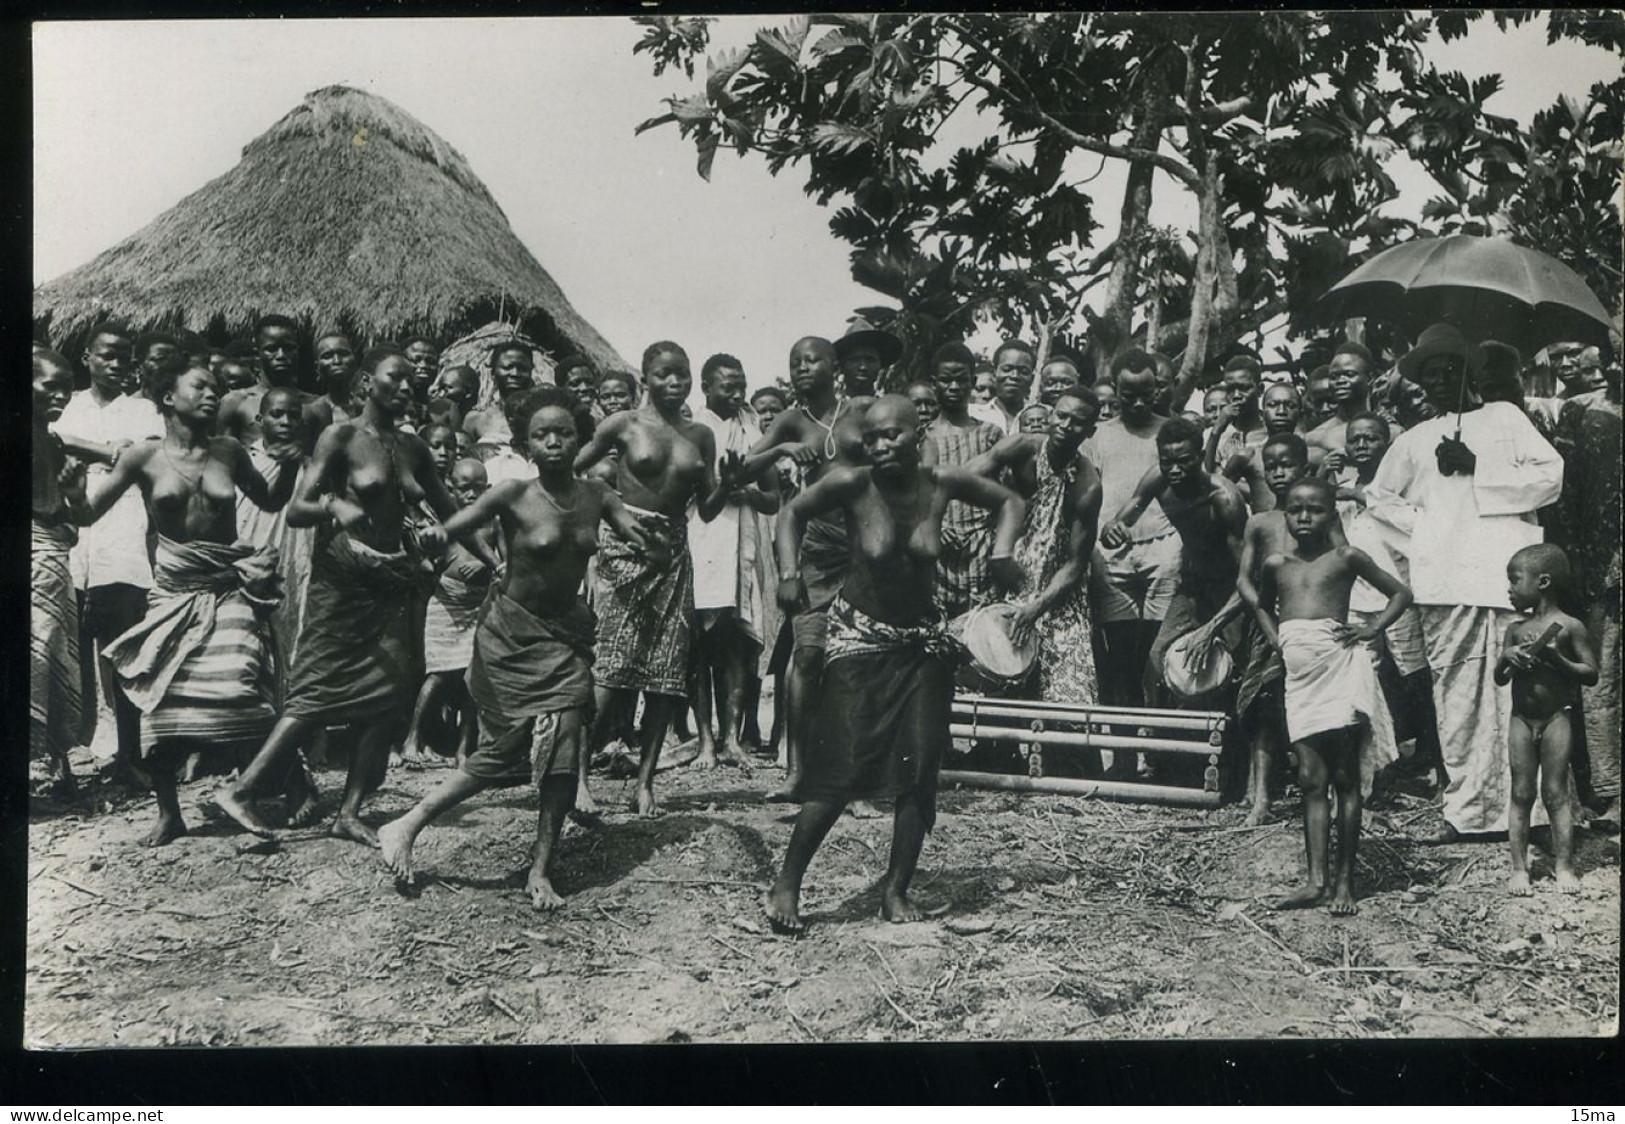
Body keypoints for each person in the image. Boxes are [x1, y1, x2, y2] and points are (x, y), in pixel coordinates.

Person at [379, 388, 655, 908]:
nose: (553, 443)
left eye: (564, 434)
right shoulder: (511, 493)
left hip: (566, 635)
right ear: (527, 443)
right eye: (541, 435)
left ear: (581, 439)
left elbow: (641, 535)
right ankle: (408, 822)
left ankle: (541, 868)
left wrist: (656, 540)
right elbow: (451, 528)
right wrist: (435, 538)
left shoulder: (599, 495)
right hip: (510, 635)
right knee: (503, 752)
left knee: (566, 745)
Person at [764, 396, 1026, 933]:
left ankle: (895, 891)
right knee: (841, 765)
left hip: (922, 645)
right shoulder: (852, 484)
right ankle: (786, 885)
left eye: (893, 436)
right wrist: (789, 571)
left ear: (916, 432)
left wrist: (1003, 551)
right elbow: (791, 513)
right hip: (860, 640)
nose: (881, 446)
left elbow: (1011, 502)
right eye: (873, 437)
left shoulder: (943, 482)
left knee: (922, 765)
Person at [219, 346, 464, 845]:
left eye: (411, 382)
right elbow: (297, 509)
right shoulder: (341, 436)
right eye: (394, 378)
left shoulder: (413, 447)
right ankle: (243, 791)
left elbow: (451, 507)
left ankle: (349, 812)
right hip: (342, 580)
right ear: (367, 382)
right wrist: (336, 505)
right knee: (315, 691)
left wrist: (488, 552)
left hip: (389, 583)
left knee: (390, 694)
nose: (405, 387)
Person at [79, 365, 302, 846]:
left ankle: (252, 794)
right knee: (159, 697)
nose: (210, 394)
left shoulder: (230, 451)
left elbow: (268, 501)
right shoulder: (143, 457)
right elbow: (88, 511)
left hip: (227, 586)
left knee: (241, 681)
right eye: (198, 386)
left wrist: (288, 463)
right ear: (167, 399)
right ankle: (169, 814)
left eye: (214, 388)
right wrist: (69, 479)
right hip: (175, 592)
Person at [1365, 324, 1564, 844]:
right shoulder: (1413, 440)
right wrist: (1429, 529)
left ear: (1468, 374)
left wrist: (1482, 468)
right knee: (1457, 697)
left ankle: (1532, 813)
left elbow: (1552, 475)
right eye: (1427, 375)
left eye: (1446, 371)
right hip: (1447, 581)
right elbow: (1379, 500)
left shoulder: (1506, 419)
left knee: (1521, 694)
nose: (1435, 383)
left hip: (1506, 577)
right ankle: (1468, 812)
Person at [575, 341, 735, 816]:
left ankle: (645, 782)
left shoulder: (700, 435)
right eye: (664, 374)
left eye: (682, 375)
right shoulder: (623, 424)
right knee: (608, 670)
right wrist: (606, 507)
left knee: (666, 673)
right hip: (622, 550)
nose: (675, 383)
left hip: (673, 554)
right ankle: (580, 778)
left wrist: (727, 483)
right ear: (645, 378)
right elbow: (573, 470)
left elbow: (706, 508)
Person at [1253, 477, 1412, 915]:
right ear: (1285, 514)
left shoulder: (1346, 558)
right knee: (1309, 778)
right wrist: (1276, 641)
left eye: (1316, 510)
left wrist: (1372, 627)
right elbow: (1264, 605)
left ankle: (1345, 882)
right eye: (1295, 509)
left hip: (1339, 670)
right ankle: (1315, 880)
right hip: (1300, 680)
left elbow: (1401, 593)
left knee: (1344, 777)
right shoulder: (1275, 564)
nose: (1304, 517)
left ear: (1333, 514)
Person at [742, 336, 883, 806]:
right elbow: (741, 471)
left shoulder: (862, 411)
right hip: (814, 550)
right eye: (794, 361)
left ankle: (855, 781)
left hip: (865, 547)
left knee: (858, 666)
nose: (803, 368)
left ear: (834, 365)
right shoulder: (792, 420)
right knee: (806, 659)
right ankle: (797, 772)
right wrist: (782, 448)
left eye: (812, 360)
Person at [52, 322, 164, 782]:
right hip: (73, 547)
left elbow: (147, 456)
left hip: (122, 542)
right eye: (107, 356)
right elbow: (52, 445)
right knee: (67, 655)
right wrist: (106, 452)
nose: (116, 364)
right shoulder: (66, 407)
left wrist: (101, 456)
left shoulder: (143, 411)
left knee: (125, 656)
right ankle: (63, 762)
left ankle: (131, 757)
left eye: (124, 357)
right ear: (87, 358)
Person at [1233, 434, 1352, 824]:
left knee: (1326, 710)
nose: (1278, 472)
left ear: (1304, 467)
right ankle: (1261, 799)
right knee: (1264, 708)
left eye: (1287, 464)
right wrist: (1264, 616)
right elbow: (1245, 580)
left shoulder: (1320, 515)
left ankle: (1333, 794)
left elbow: (1343, 561)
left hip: (1317, 625)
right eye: (1271, 466)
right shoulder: (1260, 522)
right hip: (1270, 625)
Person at [968, 387, 1103, 708]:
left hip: (1059, 601)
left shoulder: (1087, 486)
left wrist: (1036, 609)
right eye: (1061, 415)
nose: (1065, 426)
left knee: (1069, 705)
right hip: (1009, 584)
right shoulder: (1021, 447)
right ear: (1051, 413)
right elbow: (964, 476)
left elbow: (1074, 565)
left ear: (1091, 431)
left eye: (1077, 422)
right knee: (996, 694)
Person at [1335, 412, 1444, 794]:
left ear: (1387, 444)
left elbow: (1417, 525)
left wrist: (1362, 495)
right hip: (1355, 598)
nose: (1362, 445)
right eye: (1355, 439)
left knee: (1415, 675)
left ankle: (1434, 759)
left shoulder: (1399, 488)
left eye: (1371, 438)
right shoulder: (1339, 487)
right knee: (1367, 677)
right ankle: (1380, 762)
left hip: (1399, 594)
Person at [1106, 417, 1248, 708]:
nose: (1174, 470)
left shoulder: (1223, 499)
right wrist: (1112, 531)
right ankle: (1161, 751)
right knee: (1157, 666)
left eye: (1184, 461)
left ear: (1201, 457)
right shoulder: (1158, 479)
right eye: (1166, 461)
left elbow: (1249, 577)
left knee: (1230, 673)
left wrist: (1211, 628)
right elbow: (1119, 522)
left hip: (1231, 591)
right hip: (1192, 587)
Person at [688, 354, 778, 769]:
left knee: (738, 647)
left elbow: (772, 496)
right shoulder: (693, 429)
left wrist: (748, 495)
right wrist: (723, 490)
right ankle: (705, 740)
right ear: (706, 387)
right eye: (728, 386)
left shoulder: (755, 429)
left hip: (745, 543)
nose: (738, 393)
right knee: (699, 647)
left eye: (742, 384)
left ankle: (732, 739)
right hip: (702, 541)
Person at [1496, 544, 1597, 895]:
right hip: (1521, 720)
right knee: (1521, 792)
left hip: (1556, 719)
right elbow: (1500, 678)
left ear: (1543, 582)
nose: (1509, 589)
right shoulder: (1515, 630)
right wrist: (1506, 657)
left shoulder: (1569, 627)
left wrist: (1558, 661)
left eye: (1514, 581)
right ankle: (1519, 869)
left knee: (1555, 794)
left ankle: (1564, 867)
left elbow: (1590, 673)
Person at [1083, 350, 1177, 715]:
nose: (1138, 402)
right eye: (1128, 394)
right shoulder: (1098, 436)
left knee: (1158, 652)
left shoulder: (1172, 432)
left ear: (1158, 387)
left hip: (1165, 549)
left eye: (1146, 393)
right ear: (1114, 389)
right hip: (1111, 556)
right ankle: (1123, 753)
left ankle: (1157, 750)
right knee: (1119, 654)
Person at [1552, 360, 1621, 827]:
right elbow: (1569, 497)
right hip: (1606, 566)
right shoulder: (1583, 412)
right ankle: (1613, 791)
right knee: (1605, 679)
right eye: (1612, 351)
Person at [404, 457, 498, 768]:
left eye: (478, 488)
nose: (471, 494)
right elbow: (423, 563)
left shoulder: (492, 523)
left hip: (479, 606)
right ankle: (413, 738)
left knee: (473, 677)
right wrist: (431, 562)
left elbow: (505, 563)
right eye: (464, 488)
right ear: (450, 489)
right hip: (446, 605)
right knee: (438, 675)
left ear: (488, 488)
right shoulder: (444, 523)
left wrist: (485, 563)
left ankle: (464, 747)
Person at [32, 351, 95, 799]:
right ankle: (39, 767)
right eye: (49, 386)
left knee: (55, 658)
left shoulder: (51, 442)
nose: (60, 395)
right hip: (36, 557)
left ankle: (57, 764)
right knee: (37, 657)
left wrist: (73, 496)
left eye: (66, 387)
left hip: (53, 559)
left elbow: (76, 512)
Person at [926, 343, 1006, 617]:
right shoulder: (922, 437)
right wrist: (934, 523)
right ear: (933, 383)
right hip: (938, 550)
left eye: (961, 380)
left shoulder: (990, 435)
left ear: (972, 382)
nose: (953, 387)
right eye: (946, 380)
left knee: (980, 633)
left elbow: (1006, 493)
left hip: (982, 549)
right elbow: (912, 492)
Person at [1306, 342, 1401, 465]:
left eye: (1349, 374)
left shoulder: (1392, 429)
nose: (1341, 381)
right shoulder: (1316, 437)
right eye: (1334, 377)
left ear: (1370, 378)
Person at [464, 342, 536, 460]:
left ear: (531, 373)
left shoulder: (542, 418)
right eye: (507, 367)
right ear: (493, 373)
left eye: (522, 368)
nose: (515, 374)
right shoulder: (476, 420)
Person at [1204, 354, 1268, 473]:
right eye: (1230, 390)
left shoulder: (1271, 432)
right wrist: (1216, 430)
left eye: (1244, 388)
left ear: (1260, 390)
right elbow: (1205, 475)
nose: (1236, 395)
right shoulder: (1212, 435)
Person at [970, 339, 1037, 436]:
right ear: (994, 375)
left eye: (1023, 371)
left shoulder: (1043, 416)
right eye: (1007, 369)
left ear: (1032, 379)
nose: (1014, 376)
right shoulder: (973, 414)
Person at [304, 331, 361, 434]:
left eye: (344, 354)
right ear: (317, 367)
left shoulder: (367, 408)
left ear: (354, 360)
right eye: (327, 356)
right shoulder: (313, 413)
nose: (337, 361)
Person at [833, 317, 900, 398]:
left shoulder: (891, 407)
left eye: (870, 360)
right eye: (854, 360)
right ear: (842, 365)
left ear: (880, 364)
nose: (863, 367)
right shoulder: (831, 408)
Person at [554, 355, 602, 419]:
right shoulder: (552, 422)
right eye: (575, 384)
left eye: (590, 382)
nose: (584, 387)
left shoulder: (597, 422)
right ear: (560, 389)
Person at [402, 335, 441, 404]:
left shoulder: (446, 408)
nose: (424, 366)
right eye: (416, 360)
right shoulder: (386, 406)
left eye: (431, 361)